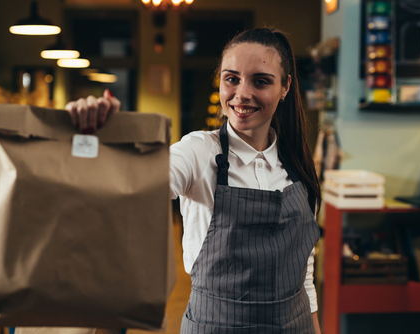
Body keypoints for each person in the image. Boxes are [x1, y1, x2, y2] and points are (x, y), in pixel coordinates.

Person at [65, 28, 322, 334]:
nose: (242, 94)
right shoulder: (198, 151)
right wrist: (92, 139)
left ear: (285, 87)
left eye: (261, 81)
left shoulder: (298, 165)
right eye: (232, 79)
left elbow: (304, 272)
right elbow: (131, 188)